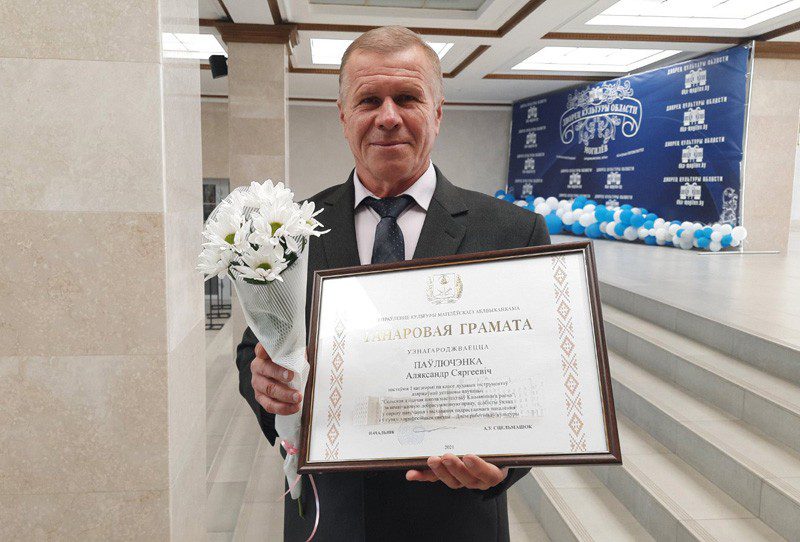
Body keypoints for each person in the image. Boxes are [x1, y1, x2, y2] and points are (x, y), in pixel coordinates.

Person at [235, 25, 551, 542]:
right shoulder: (288, 231)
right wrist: (265, 385)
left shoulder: (513, 231)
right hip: (329, 515)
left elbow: (539, 372)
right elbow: (257, 344)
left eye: (407, 98)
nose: (388, 117)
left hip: (453, 519)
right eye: (368, 100)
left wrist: (505, 466)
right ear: (343, 116)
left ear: (437, 113)